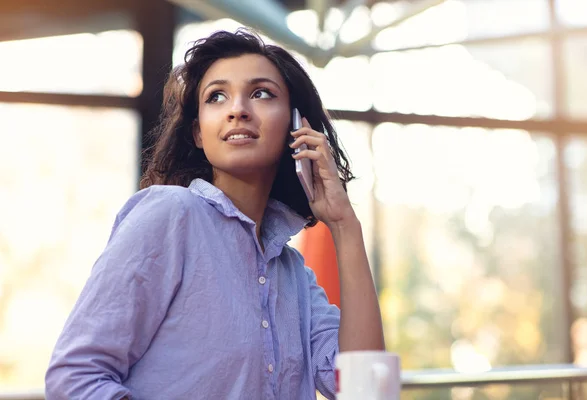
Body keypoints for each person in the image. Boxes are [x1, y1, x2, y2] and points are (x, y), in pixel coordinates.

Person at [45, 28, 385, 400]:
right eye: (217, 97)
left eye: (261, 93)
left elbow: (366, 390)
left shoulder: (293, 276)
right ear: (197, 133)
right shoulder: (171, 216)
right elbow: (74, 377)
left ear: (296, 126)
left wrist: (344, 225)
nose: (237, 109)